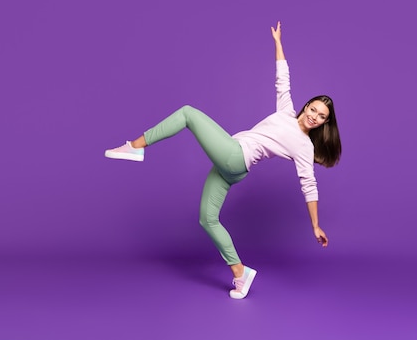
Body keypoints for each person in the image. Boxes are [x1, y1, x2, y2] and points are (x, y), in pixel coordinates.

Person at [105, 21, 342, 299]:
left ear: (324, 123)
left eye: (321, 116)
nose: (314, 116)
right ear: (306, 106)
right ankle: (241, 273)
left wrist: (314, 225)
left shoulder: (303, 145)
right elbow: (282, 78)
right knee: (207, 219)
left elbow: (308, 184)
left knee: (188, 113)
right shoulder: (286, 111)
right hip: (232, 168)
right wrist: (278, 43)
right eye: (313, 109)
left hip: (234, 156)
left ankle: (135, 146)